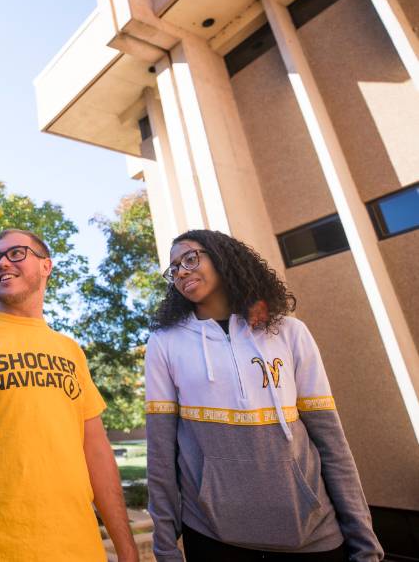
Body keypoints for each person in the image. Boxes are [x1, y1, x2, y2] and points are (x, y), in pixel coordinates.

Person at [146, 229, 383, 562]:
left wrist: (364, 543)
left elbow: (331, 443)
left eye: (190, 258)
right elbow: (160, 455)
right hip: (214, 537)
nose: (181, 271)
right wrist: (166, 549)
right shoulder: (165, 343)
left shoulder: (288, 332)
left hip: (313, 534)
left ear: (223, 257)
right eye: (174, 268)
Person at [0, 229, 139, 562]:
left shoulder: (71, 351)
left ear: (46, 266)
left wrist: (127, 551)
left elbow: (97, 453)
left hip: (82, 550)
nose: (2, 263)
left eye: (16, 253)